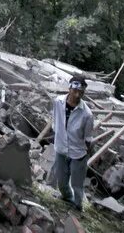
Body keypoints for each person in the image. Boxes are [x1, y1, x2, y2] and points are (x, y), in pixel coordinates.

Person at [51, 76, 95, 209]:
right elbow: (54, 121)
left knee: (77, 184)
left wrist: (85, 155)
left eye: (81, 92)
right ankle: (66, 198)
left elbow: (88, 138)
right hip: (61, 149)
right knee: (62, 181)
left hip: (78, 152)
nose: (77, 95)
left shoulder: (87, 114)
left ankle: (77, 206)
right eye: (75, 90)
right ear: (69, 89)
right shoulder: (58, 102)